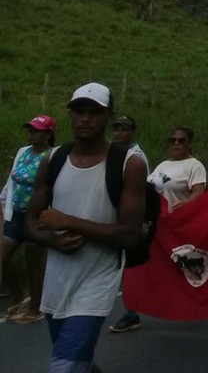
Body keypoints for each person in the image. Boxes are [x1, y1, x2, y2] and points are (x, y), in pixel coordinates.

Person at [25, 83, 147, 373]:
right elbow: (29, 223)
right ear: (70, 113)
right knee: (78, 362)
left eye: (95, 112)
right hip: (56, 282)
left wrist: (68, 221)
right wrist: (52, 241)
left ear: (109, 115)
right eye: (79, 110)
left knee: (62, 366)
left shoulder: (129, 164)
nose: (86, 118)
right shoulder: (52, 160)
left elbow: (129, 234)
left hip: (97, 280)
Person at [111, 126, 207, 333]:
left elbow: (199, 191)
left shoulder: (194, 165)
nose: (176, 143)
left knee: (187, 272)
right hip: (155, 226)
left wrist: (185, 205)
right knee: (138, 267)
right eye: (172, 139)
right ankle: (131, 313)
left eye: (181, 140)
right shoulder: (163, 164)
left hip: (177, 229)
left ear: (189, 143)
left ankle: (204, 302)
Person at [1, 115, 56, 324]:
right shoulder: (22, 152)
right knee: (2, 256)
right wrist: (2, 204)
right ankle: (19, 293)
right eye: (30, 130)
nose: (31, 134)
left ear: (48, 134)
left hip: (38, 216)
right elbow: (11, 182)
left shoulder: (53, 156)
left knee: (34, 262)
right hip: (15, 214)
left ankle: (35, 307)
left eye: (36, 131)